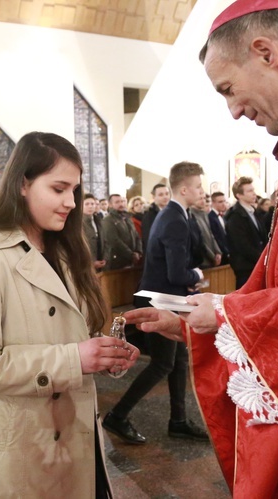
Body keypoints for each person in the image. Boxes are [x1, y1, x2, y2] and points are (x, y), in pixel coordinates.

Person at [125, 1, 278, 496]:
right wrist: (199, 325)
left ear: (265, 52)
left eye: (228, 90)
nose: (234, 110)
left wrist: (224, 315)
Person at [0, 132, 139, 498]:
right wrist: (74, 358)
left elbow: (65, 331)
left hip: (71, 434)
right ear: (23, 184)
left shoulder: (64, 249)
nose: (70, 202)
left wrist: (101, 352)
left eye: (74, 191)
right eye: (58, 189)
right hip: (18, 444)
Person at [102, 162, 208, 446]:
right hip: (161, 300)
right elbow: (176, 273)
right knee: (162, 364)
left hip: (166, 297)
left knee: (179, 359)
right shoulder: (174, 218)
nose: (202, 191)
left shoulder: (173, 214)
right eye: (198, 186)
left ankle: (179, 420)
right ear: (184, 188)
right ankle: (118, 414)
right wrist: (195, 275)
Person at [224, 176, 267, 288]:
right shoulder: (235, 216)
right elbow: (242, 245)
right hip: (245, 267)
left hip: (258, 265)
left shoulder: (254, 212)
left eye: (253, 190)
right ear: (239, 195)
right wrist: (261, 259)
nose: (254, 193)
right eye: (249, 191)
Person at [101, 193, 142, 270]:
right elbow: (114, 241)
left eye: (122, 201)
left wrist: (138, 251)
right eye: (117, 202)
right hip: (117, 261)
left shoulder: (127, 218)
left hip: (132, 260)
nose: (121, 204)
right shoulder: (107, 220)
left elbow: (136, 235)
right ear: (110, 204)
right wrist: (131, 255)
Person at [189, 194, 223, 268]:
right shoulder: (191, 215)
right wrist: (212, 256)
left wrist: (218, 252)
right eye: (200, 198)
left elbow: (211, 235)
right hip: (203, 260)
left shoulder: (204, 214)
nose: (203, 201)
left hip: (212, 258)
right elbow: (201, 240)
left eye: (204, 198)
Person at [141, 183, 170, 252]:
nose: (165, 197)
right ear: (154, 197)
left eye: (167, 194)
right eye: (161, 195)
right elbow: (149, 240)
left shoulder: (172, 212)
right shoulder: (149, 215)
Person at [82, 193, 106, 270]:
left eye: (92, 204)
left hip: (100, 261)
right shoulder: (78, 223)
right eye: (87, 204)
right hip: (86, 264)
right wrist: (91, 261)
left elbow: (105, 241)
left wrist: (105, 258)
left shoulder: (98, 220)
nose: (90, 206)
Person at [208, 191, 230, 264]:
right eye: (220, 202)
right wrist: (226, 252)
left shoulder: (223, 216)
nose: (223, 204)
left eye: (224, 201)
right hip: (220, 255)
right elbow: (216, 237)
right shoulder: (210, 217)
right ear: (213, 203)